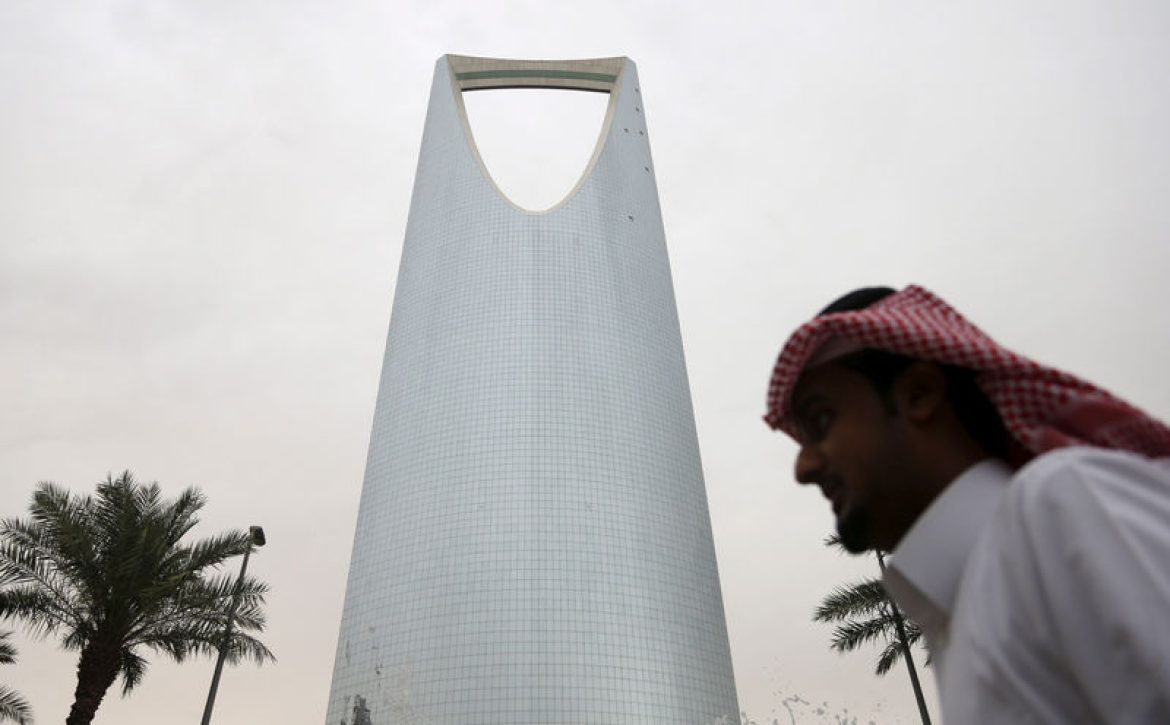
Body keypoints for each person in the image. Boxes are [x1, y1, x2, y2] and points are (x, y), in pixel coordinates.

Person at [763, 285, 1170, 724]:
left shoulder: (1058, 503)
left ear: (918, 394)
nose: (804, 468)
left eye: (822, 421)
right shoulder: (962, 616)